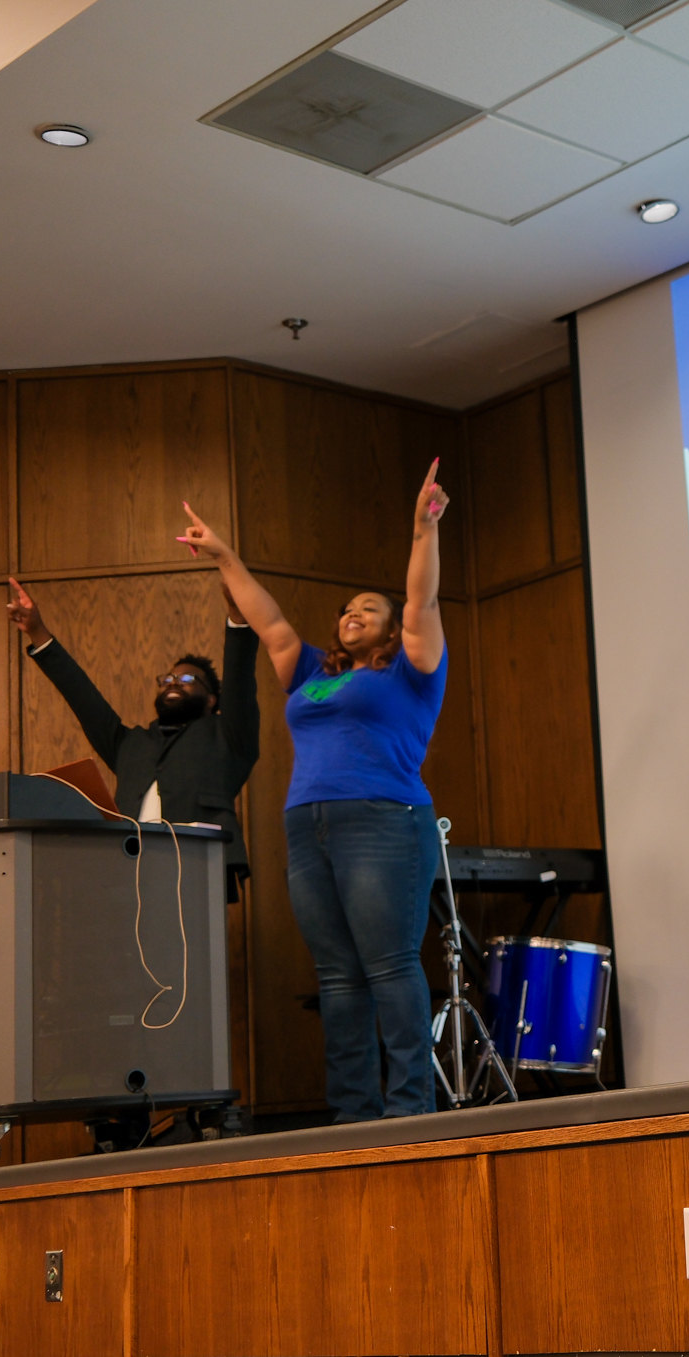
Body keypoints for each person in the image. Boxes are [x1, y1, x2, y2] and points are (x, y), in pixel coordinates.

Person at [174, 463, 451, 1121]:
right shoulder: (310, 673)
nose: (352, 613)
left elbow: (423, 602)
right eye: (346, 608)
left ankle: (411, 1108)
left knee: (388, 966)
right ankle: (353, 1113)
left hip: (383, 821)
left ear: (390, 630)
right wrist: (225, 556)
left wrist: (422, 530)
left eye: (368, 608)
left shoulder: (411, 670)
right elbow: (266, 619)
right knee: (338, 977)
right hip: (307, 828)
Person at [5, 577, 260, 891]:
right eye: (166, 679)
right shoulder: (131, 744)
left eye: (187, 678)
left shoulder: (228, 735)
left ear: (211, 700)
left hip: (198, 865)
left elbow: (240, 681)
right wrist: (36, 631)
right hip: (126, 871)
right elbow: (83, 698)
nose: (173, 682)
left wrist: (238, 618)